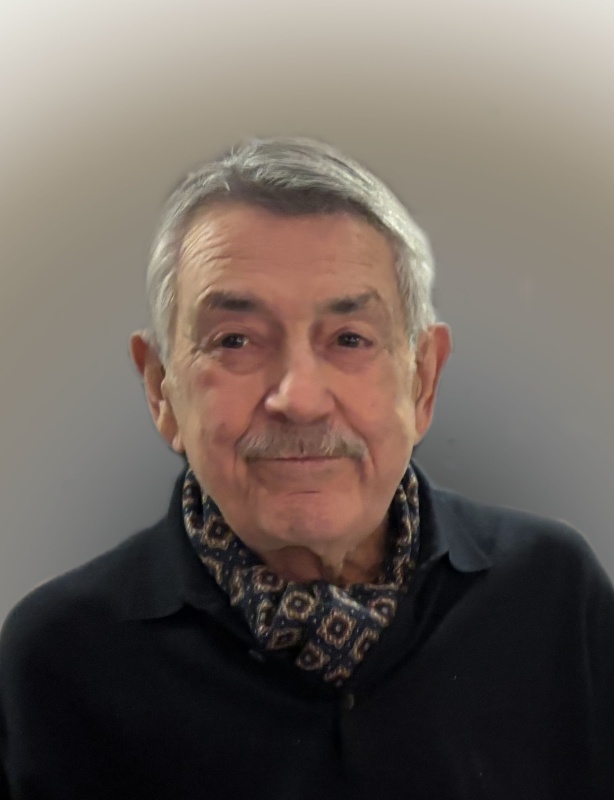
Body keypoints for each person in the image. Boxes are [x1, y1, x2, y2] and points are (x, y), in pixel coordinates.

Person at [1, 137, 612, 800]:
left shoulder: (555, 593)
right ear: (160, 390)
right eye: (235, 340)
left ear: (423, 380)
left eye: (349, 339)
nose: (299, 399)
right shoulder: (59, 657)